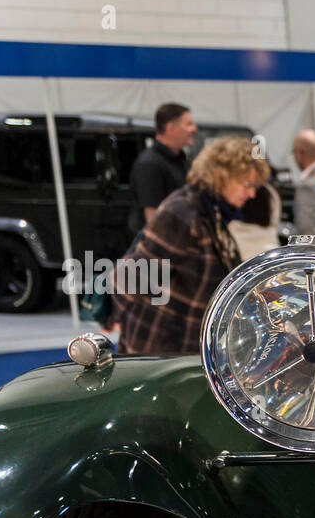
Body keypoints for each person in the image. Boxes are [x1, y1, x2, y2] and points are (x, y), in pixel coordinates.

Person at [111, 135, 267, 355]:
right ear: (221, 175)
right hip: (158, 350)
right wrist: (114, 316)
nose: (251, 194)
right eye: (247, 185)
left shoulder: (211, 210)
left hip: (184, 346)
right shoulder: (182, 214)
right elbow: (128, 278)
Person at [128, 102, 197, 236]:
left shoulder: (180, 160)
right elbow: (153, 220)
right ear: (171, 128)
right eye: (189, 124)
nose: (194, 129)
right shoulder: (149, 164)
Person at [228, 181, 282, 261]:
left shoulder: (235, 190)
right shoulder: (270, 192)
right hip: (271, 253)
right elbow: (275, 219)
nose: (251, 194)